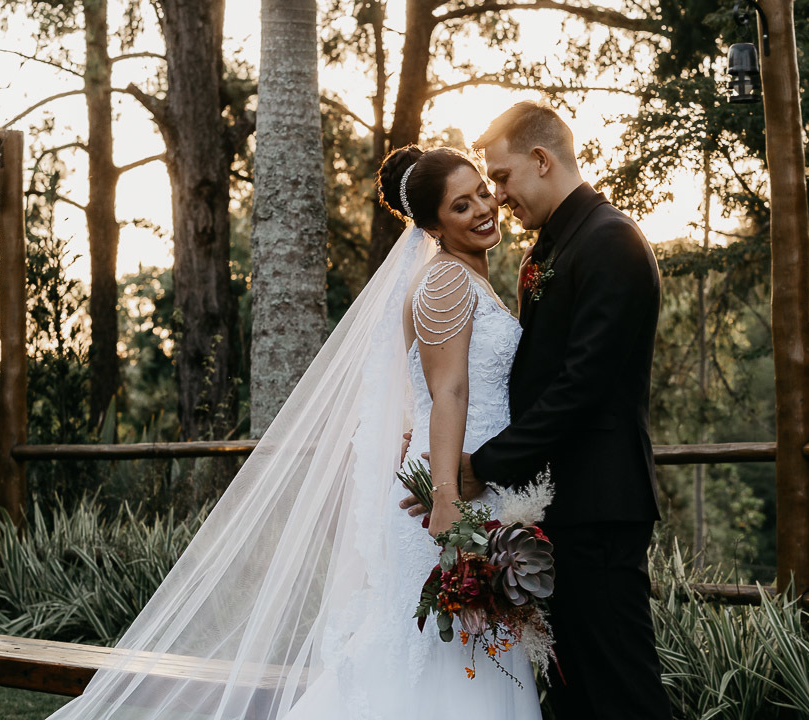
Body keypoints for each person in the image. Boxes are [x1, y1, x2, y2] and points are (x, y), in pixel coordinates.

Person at [45, 145, 541, 720]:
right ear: (433, 225)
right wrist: (449, 498)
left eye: (482, 190)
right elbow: (449, 392)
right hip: (453, 501)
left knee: (461, 652)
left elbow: (425, 393)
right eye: (462, 204)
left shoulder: (463, 275)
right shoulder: (447, 282)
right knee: (441, 656)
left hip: (475, 483)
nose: (484, 207)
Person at [405, 101, 673, 719]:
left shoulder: (610, 241)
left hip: (601, 502)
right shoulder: (550, 249)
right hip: (553, 504)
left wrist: (484, 465)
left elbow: (584, 386)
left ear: (542, 159)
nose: (497, 197)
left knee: (623, 686)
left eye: (499, 178)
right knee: (574, 687)